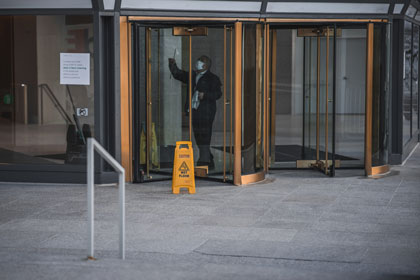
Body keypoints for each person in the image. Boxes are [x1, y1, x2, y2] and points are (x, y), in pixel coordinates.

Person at [168, 55, 222, 169]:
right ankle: (208, 158)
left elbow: (218, 94)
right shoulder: (193, 75)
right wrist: (172, 64)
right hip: (195, 111)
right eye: (198, 61)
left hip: (206, 112)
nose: (197, 63)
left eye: (200, 62)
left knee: (205, 135)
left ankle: (204, 161)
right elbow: (179, 74)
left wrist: (205, 95)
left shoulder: (213, 78)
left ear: (205, 65)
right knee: (198, 135)